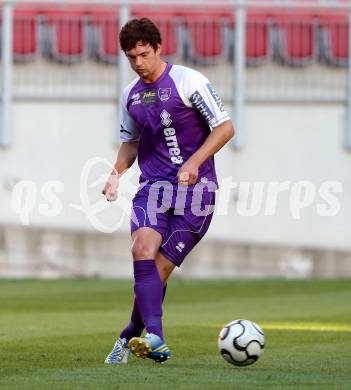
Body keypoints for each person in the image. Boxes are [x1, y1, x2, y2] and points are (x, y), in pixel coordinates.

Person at [102, 17, 235, 364]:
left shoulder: (189, 81)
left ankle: (128, 334)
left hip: (197, 192)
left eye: (144, 54)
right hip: (154, 188)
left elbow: (225, 128)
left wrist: (194, 162)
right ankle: (156, 338)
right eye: (131, 57)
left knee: (158, 272)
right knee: (142, 249)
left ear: (158, 48)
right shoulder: (130, 95)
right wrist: (115, 173)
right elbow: (129, 143)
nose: (138, 63)